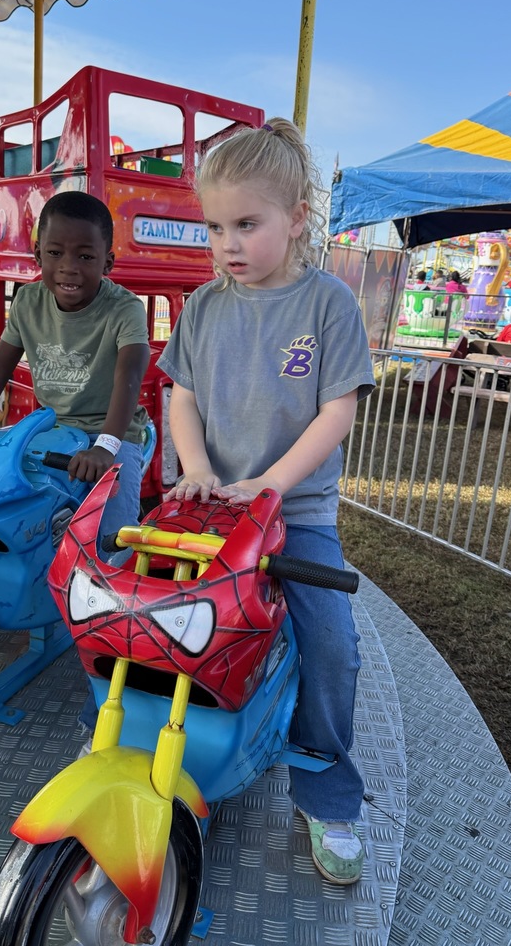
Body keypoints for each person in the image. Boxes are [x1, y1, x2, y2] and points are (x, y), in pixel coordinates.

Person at [158, 118, 375, 886]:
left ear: (297, 221)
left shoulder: (328, 306)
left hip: (294, 513)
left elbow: (336, 412)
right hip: (211, 506)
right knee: (141, 610)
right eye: (215, 226)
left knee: (334, 646)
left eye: (246, 224)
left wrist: (272, 484)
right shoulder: (205, 307)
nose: (227, 244)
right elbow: (181, 397)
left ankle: (326, 791)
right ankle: (133, 738)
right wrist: (195, 466)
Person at [0, 190, 151, 730]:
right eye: (55, 253)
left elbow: (128, 378)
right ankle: (28, 600)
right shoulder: (28, 303)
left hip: (112, 439)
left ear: (107, 262)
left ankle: (122, 671)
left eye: (84, 256)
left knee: (111, 549)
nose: (68, 268)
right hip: (54, 437)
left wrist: (107, 448)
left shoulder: (124, 309)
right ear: (38, 254)